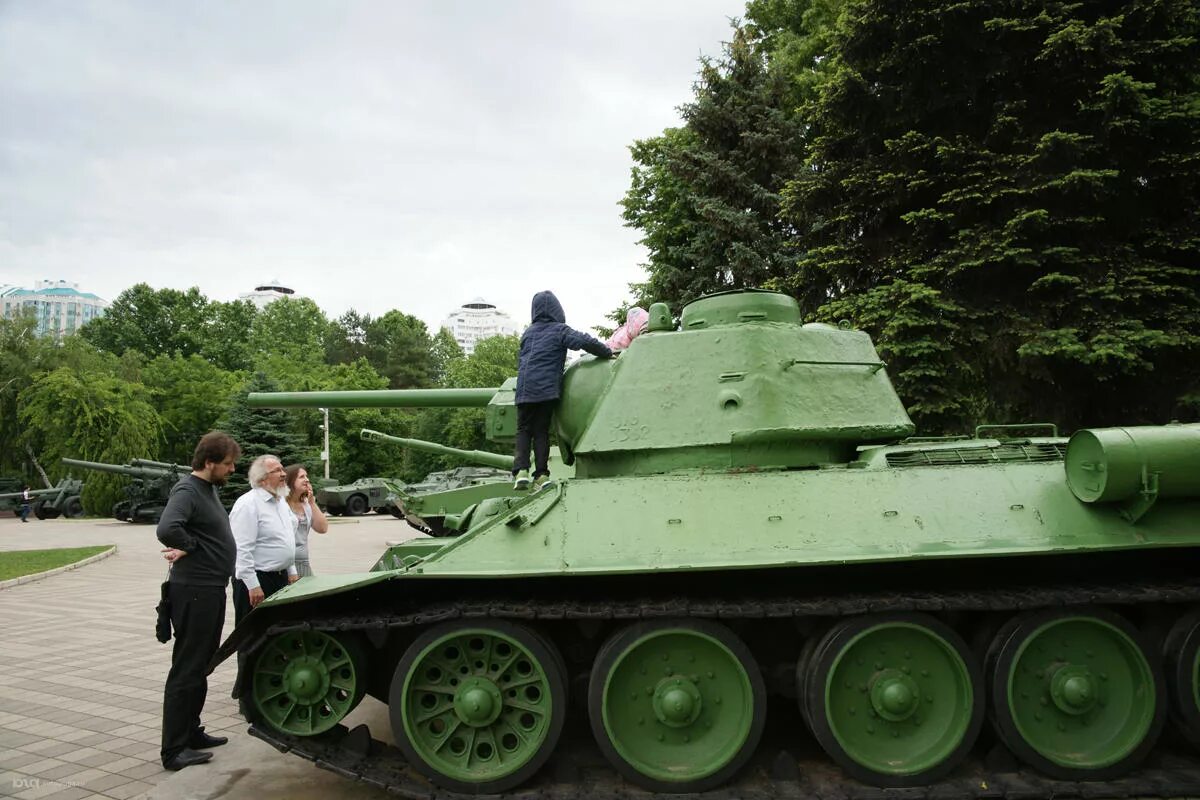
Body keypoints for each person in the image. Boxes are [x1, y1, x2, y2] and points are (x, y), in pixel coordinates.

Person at [156, 431, 241, 771]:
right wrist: (191, 545)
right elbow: (167, 528)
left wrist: (196, 544)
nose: (232, 469)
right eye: (227, 464)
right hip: (195, 590)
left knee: (201, 664)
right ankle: (174, 750)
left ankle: (191, 732)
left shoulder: (207, 489)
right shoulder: (188, 489)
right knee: (187, 667)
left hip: (210, 588)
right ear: (209, 463)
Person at [512, 290, 613, 490]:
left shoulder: (527, 333)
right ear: (558, 310)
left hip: (524, 388)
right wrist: (606, 352)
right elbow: (584, 341)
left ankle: (520, 471)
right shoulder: (559, 330)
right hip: (546, 390)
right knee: (541, 431)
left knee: (523, 430)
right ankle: (541, 474)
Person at [229, 454, 297, 700]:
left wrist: (291, 572)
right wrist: (253, 585)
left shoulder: (280, 501)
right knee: (252, 638)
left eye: (282, 469)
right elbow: (241, 550)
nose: (283, 473)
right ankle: (247, 694)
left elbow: (288, 540)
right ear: (261, 478)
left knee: (275, 635)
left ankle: (269, 685)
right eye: (277, 470)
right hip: (256, 581)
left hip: (279, 578)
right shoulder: (248, 504)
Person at [284, 464, 329, 577]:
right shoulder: (281, 505)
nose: (307, 479)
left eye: (306, 476)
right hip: (285, 565)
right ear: (290, 481)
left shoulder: (306, 504)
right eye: (302, 477)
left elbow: (322, 528)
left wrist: (312, 503)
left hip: (304, 563)